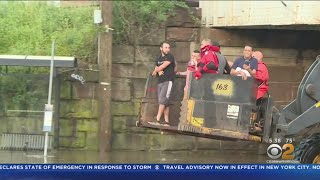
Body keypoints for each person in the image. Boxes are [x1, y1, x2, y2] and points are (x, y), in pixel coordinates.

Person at [150, 41, 176, 126]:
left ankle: (157, 120)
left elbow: (162, 66)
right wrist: (157, 71)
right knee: (165, 102)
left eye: (169, 47)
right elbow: (155, 73)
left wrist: (157, 70)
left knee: (162, 100)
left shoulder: (170, 56)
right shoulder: (158, 58)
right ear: (161, 48)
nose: (168, 49)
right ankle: (166, 122)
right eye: (166, 47)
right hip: (160, 81)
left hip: (168, 81)